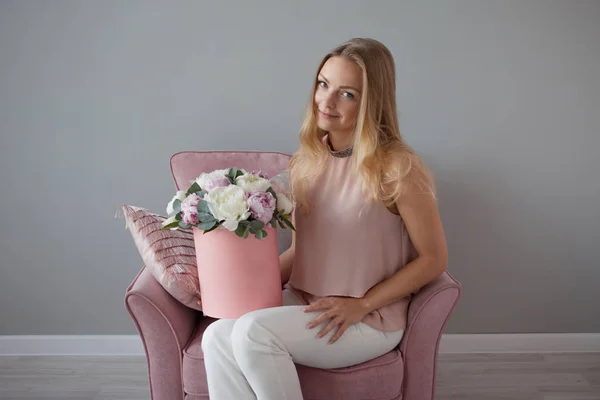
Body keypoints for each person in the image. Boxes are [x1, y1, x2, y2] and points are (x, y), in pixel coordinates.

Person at [200, 37, 448, 400]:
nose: (326, 101)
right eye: (323, 84)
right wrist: (234, 280)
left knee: (253, 331)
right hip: (308, 303)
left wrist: (362, 304)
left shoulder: (398, 167)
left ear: (371, 103)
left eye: (347, 94)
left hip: (367, 318)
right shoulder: (307, 161)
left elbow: (434, 259)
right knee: (218, 335)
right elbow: (302, 252)